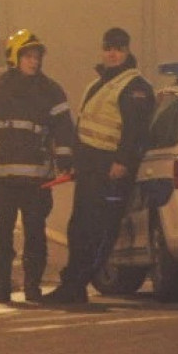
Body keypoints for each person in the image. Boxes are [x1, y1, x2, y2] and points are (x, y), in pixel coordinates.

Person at [42, 27, 154, 305]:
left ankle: (78, 283)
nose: (112, 53)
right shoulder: (99, 84)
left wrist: (122, 162)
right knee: (79, 227)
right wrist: (76, 162)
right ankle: (72, 285)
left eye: (118, 48)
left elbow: (136, 132)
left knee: (99, 229)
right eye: (108, 48)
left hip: (111, 171)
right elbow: (84, 128)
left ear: (127, 51)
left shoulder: (135, 87)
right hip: (91, 169)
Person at [0, 29, 74, 303]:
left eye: (36, 56)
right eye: (28, 56)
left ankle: (32, 287)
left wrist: (65, 160)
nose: (34, 61)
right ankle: (2, 287)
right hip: (3, 180)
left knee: (35, 237)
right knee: (1, 237)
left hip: (36, 181)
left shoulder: (52, 92)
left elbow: (64, 130)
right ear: (14, 58)